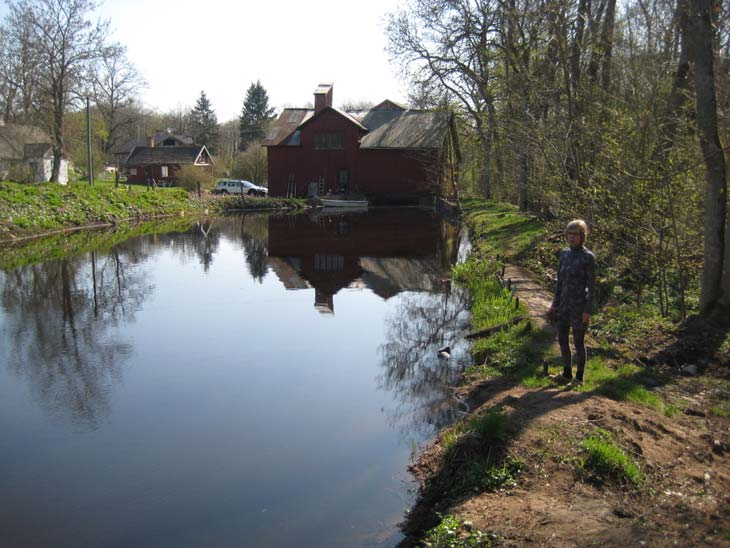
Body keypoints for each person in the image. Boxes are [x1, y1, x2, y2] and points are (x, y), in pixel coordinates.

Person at [548, 219, 596, 385]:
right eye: (569, 234)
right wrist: (554, 304)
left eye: (576, 234)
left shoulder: (588, 258)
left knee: (578, 342)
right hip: (563, 305)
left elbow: (591, 287)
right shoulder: (564, 255)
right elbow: (559, 283)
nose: (572, 237)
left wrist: (587, 310)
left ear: (582, 236)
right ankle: (566, 373)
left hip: (579, 306)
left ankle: (579, 378)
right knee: (561, 339)